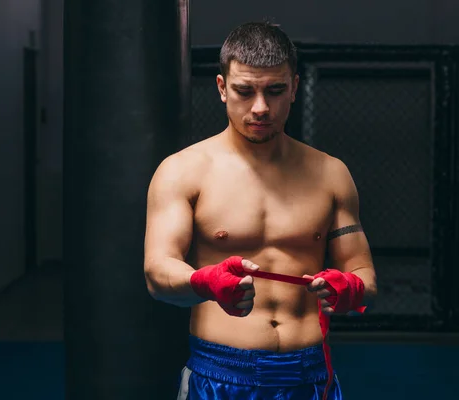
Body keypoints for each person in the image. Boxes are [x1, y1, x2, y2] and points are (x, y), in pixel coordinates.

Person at [144, 20, 377, 400]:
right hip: (220, 373)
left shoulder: (331, 174)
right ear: (222, 88)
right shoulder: (183, 171)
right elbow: (157, 273)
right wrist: (206, 282)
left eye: (275, 90)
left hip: (310, 374)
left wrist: (350, 288)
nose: (260, 107)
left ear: (295, 88)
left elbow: (364, 275)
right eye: (244, 91)